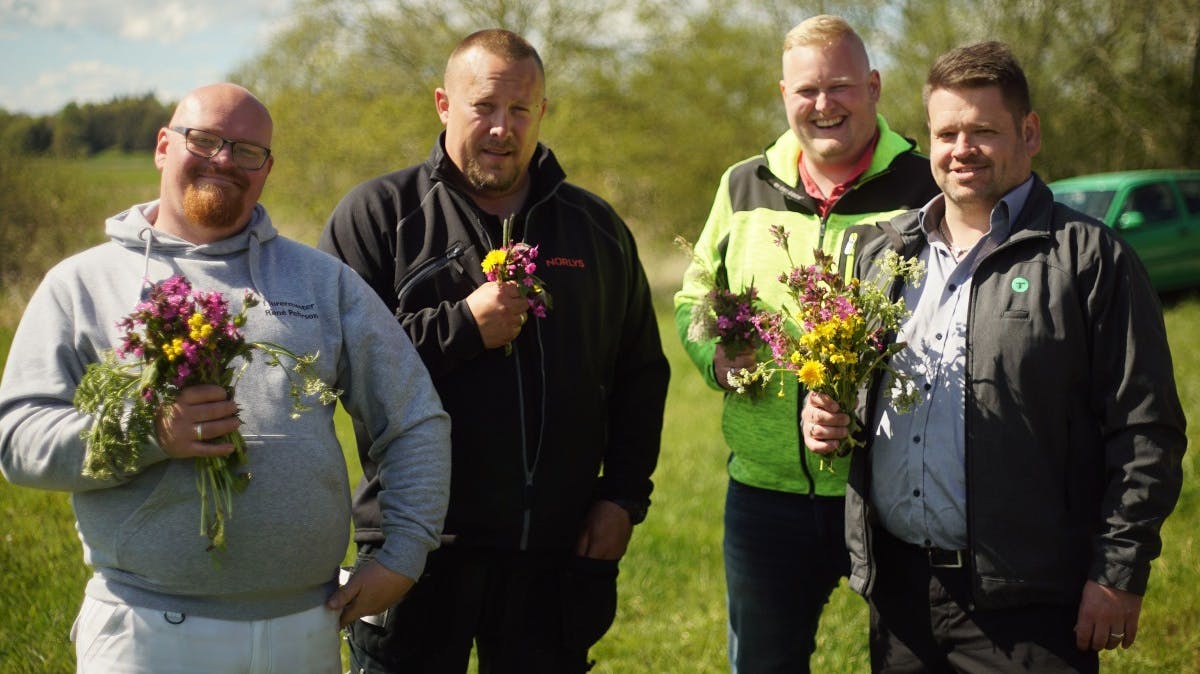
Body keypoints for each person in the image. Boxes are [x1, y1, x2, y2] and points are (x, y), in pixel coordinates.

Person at [0, 83, 452, 673]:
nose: (224, 160)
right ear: (164, 145)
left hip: (305, 626)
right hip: (146, 632)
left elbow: (414, 415)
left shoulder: (322, 282)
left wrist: (404, 553)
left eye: (246, 150)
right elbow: (18, 440)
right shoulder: (81, 283)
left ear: (266, 169)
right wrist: (148, 432)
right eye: (205, 140)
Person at [802, 42, 1187, 672]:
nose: (962, 149)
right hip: (900, 597)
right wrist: (822, 415)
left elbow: (1146, 431)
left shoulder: (1089, 258)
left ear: (1029, 133)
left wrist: (1119, 572)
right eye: (946, 132)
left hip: (1031, 604)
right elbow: (848, 391)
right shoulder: (882, 256)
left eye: (983, 130)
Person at [319, 29, 670, 673]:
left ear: (543, 111)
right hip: (412, 549)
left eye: (520, 110)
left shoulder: (594, 228)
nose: (502, 129)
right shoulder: (377, 216)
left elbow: (639, 375)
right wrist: (460, 328)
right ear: (443, 104)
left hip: (555, 555)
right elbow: (337, 368)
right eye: (483, 107)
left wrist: (623, 498)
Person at [673, 15, 938, 673]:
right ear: (783, 94)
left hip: (896, 489)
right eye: (807, 91)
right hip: (765, 495)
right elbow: (695, 295)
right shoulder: (743, 184)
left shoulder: (925, 187)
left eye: (841, 87)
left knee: (918, 662)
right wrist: (716, 356)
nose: (824, 106)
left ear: (874, 87)